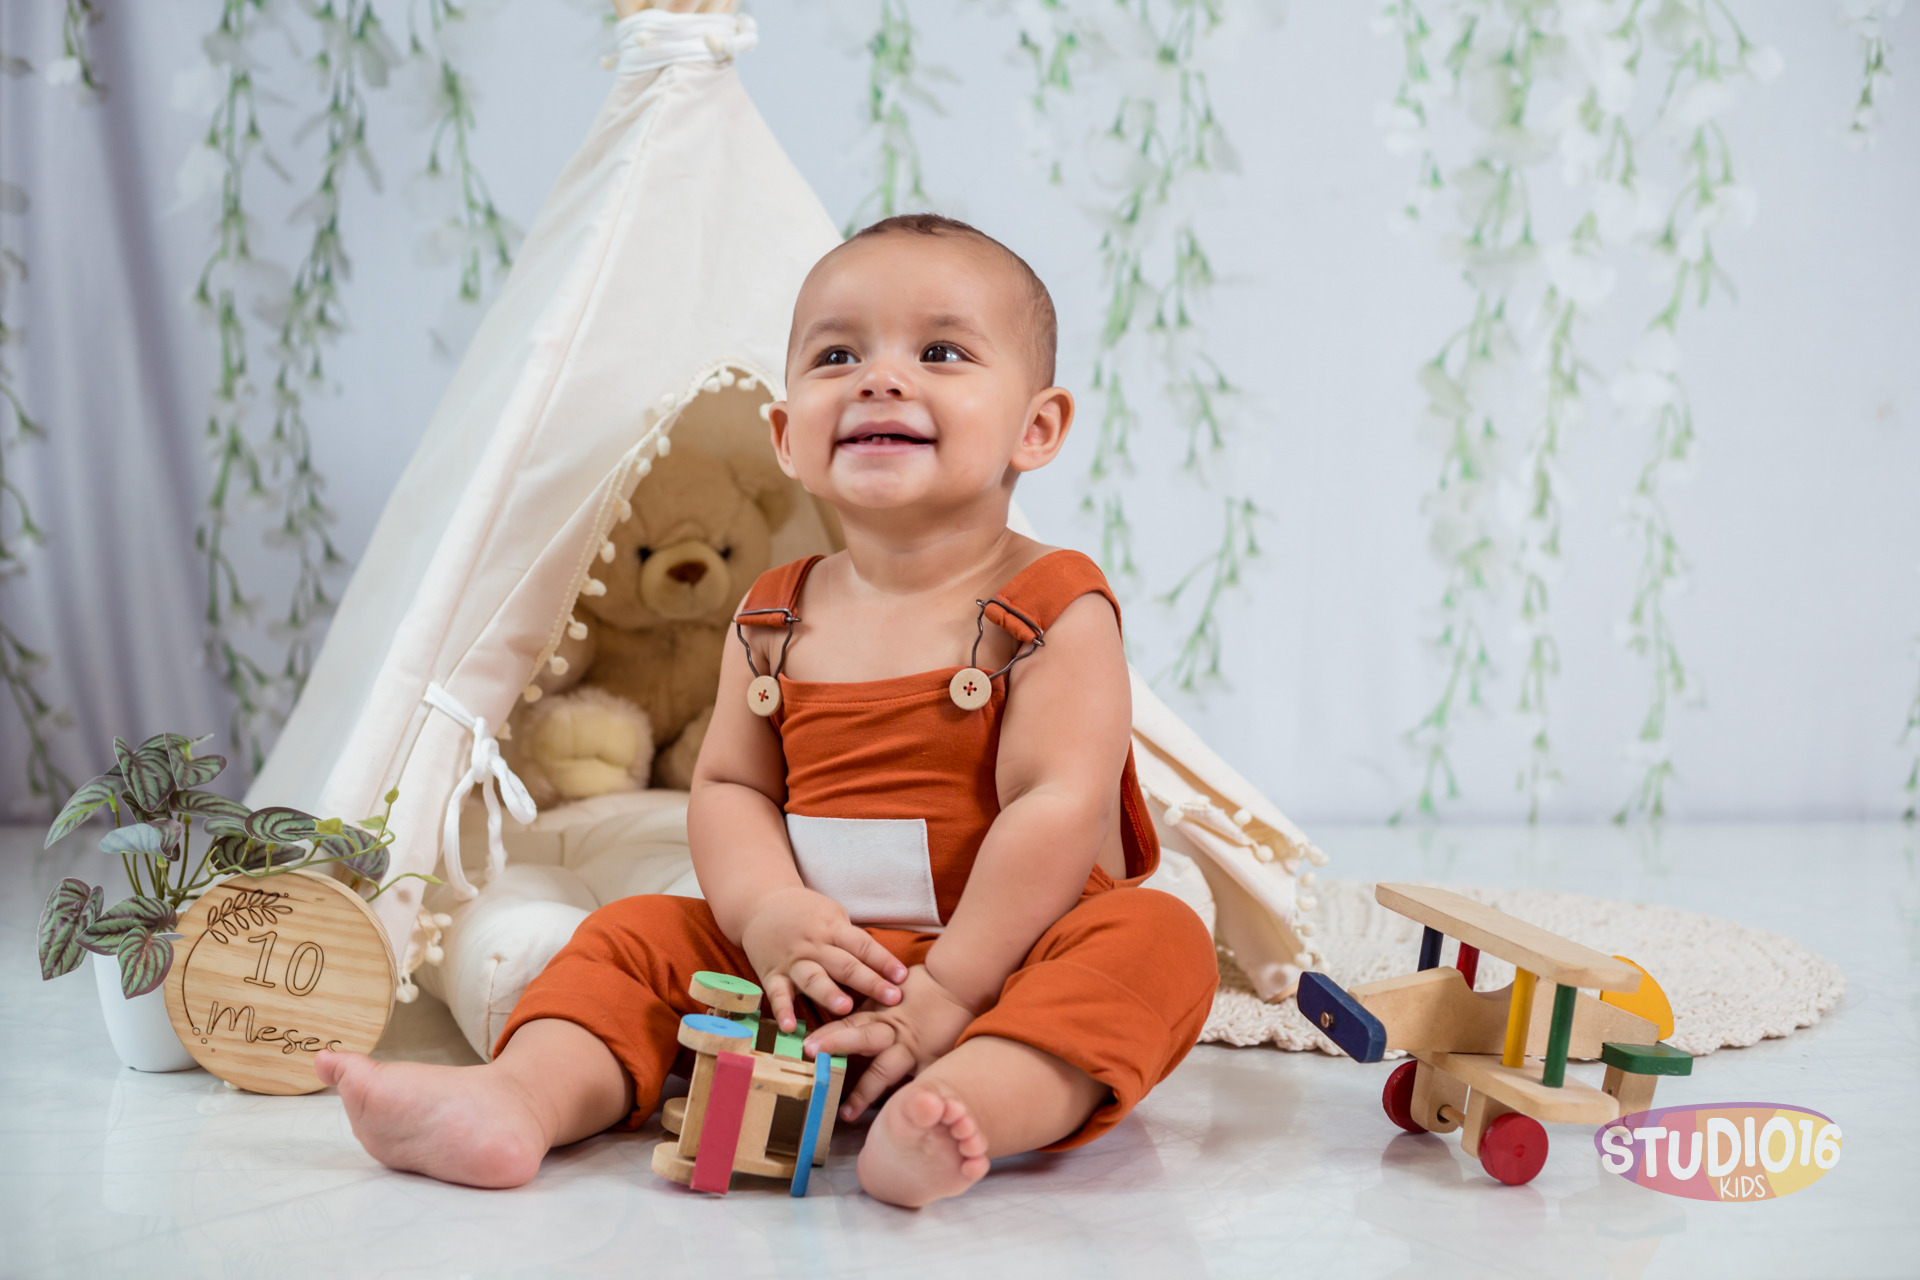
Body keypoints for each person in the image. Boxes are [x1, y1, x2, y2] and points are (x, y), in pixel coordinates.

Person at [316, 213, 1219, 1207]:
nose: (880, 378)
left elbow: (1056, 806)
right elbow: (731, 786)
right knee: (633, 936)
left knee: (1157, 942)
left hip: (1003, 962)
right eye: (838, 355)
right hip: (808, 967)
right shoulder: (773, 614)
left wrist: (949, 991)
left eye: (940, 352)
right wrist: (767, 913)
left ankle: (967, 1104)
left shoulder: (1051, 607)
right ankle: (520, 1098)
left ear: (1035, 428)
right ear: (788, 437)